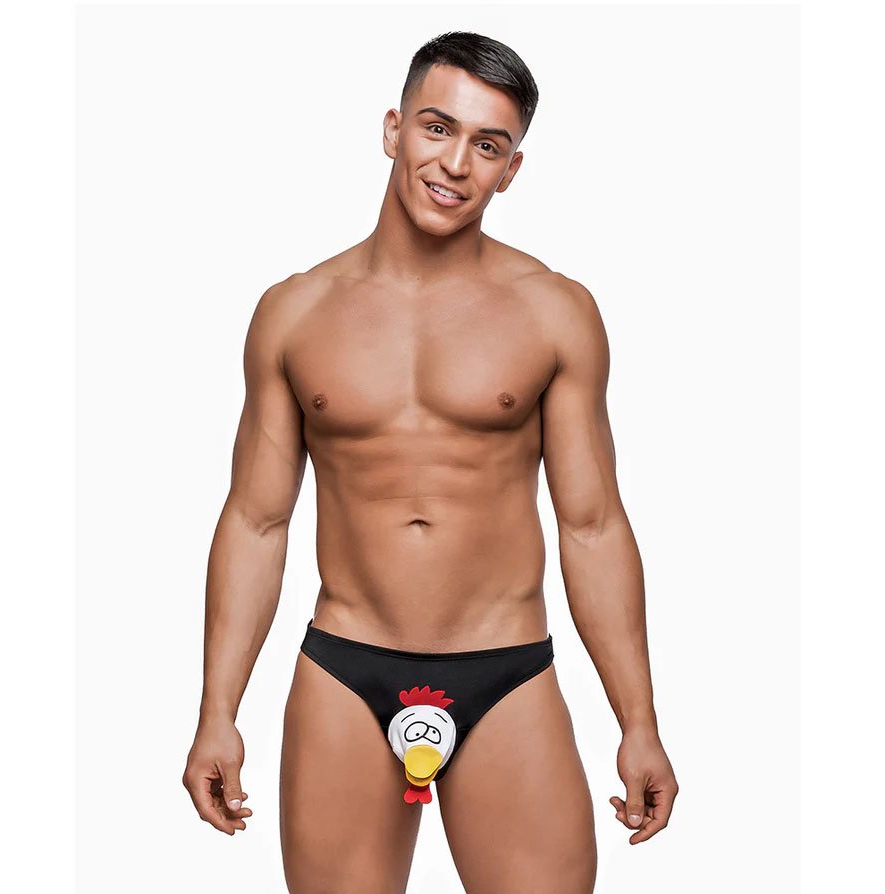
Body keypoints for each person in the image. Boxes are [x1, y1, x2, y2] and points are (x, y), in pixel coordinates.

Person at [182, 30, 678, 894]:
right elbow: (257, 521)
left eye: (487, 145)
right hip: (346, 668)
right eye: (437, 128)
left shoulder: (554, 313)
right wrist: (216, 712)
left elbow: (593, 524)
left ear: (511, 170)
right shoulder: (294, 313)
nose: (454, 163)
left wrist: (638, 721)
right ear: (393, 129)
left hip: (505, 670)